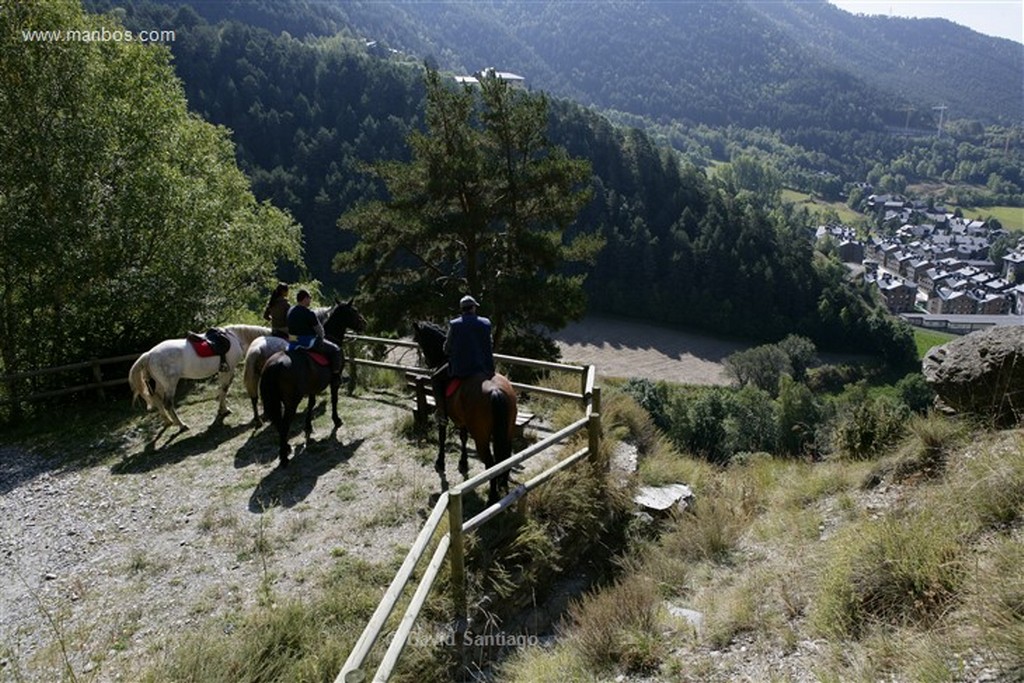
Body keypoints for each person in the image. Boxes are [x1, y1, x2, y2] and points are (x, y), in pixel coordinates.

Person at [431, 294, 495, 422]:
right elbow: (490, 344)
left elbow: (447, 347)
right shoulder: (486, 323)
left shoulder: (455, 324)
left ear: (462, 309)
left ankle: (441, 413)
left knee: (435, 378)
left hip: (461, 368)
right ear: (473, 308)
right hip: (484, 367)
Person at [286, 289, 342, 377]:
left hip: (292, 341)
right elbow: (320, 330)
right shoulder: (309, 313)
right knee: (335, 349)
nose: (310, 300)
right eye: (309, 298)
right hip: (307, 341)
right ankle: (336, 376)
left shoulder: (290, 311)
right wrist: (322, 337)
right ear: (305, 299)